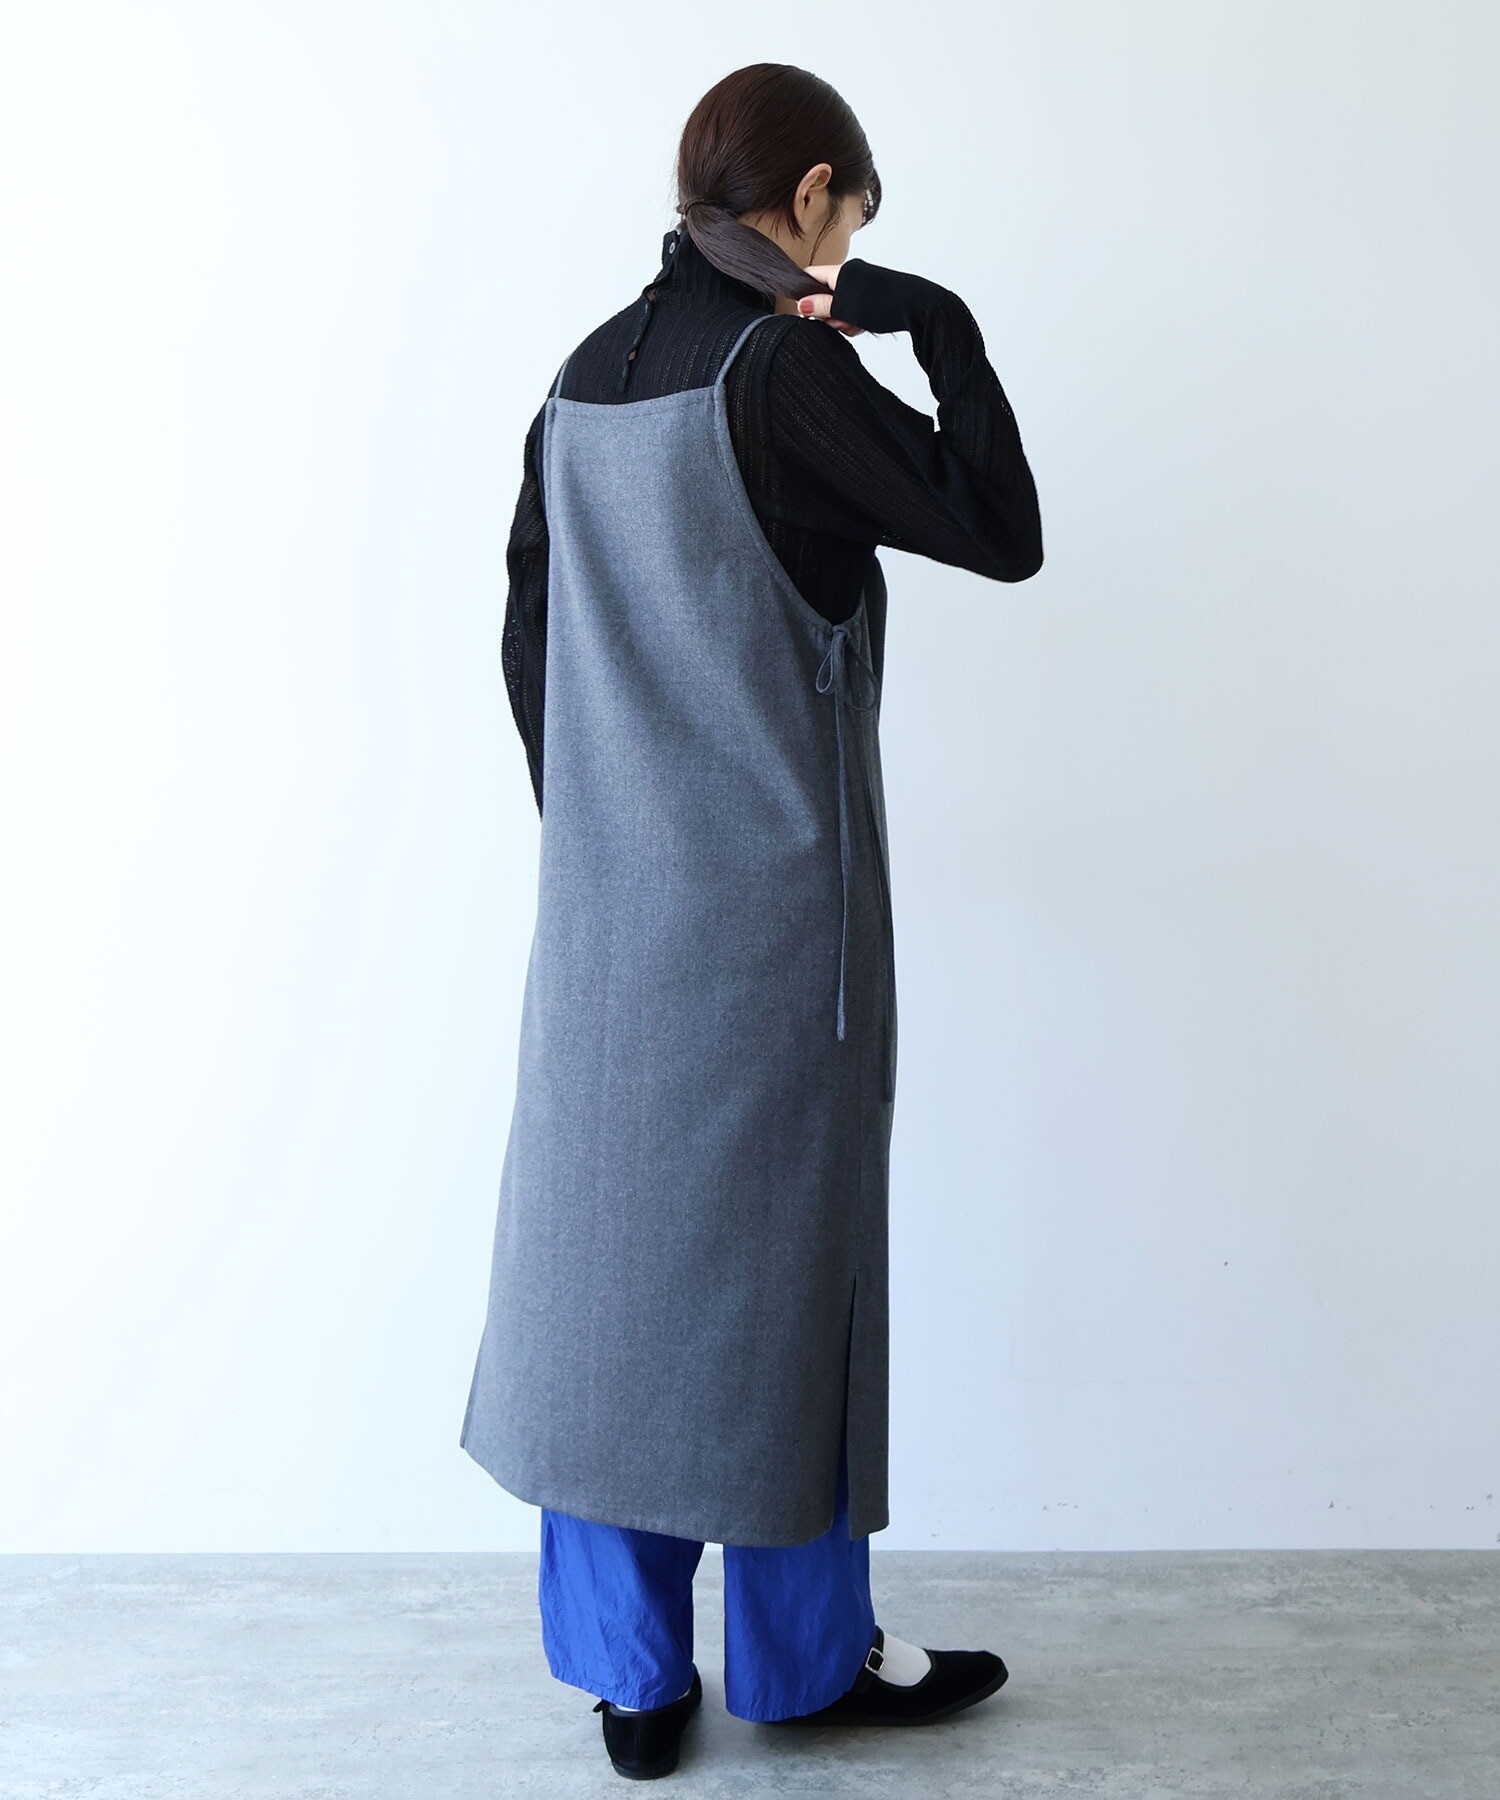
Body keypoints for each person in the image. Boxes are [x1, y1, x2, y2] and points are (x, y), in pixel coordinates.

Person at [460, 62, 1044, 1779]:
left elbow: (528, 642)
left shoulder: (581, 378)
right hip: (781, 931)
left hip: (607, 929)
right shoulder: (784, 372)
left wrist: (609, 838)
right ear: (807, 199)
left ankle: (634, 1680)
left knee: (604, 1286)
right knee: (790, 1290)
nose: (853, 245)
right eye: (858, 215)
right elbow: (998, 531)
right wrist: (943, 332)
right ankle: (803, 1664)